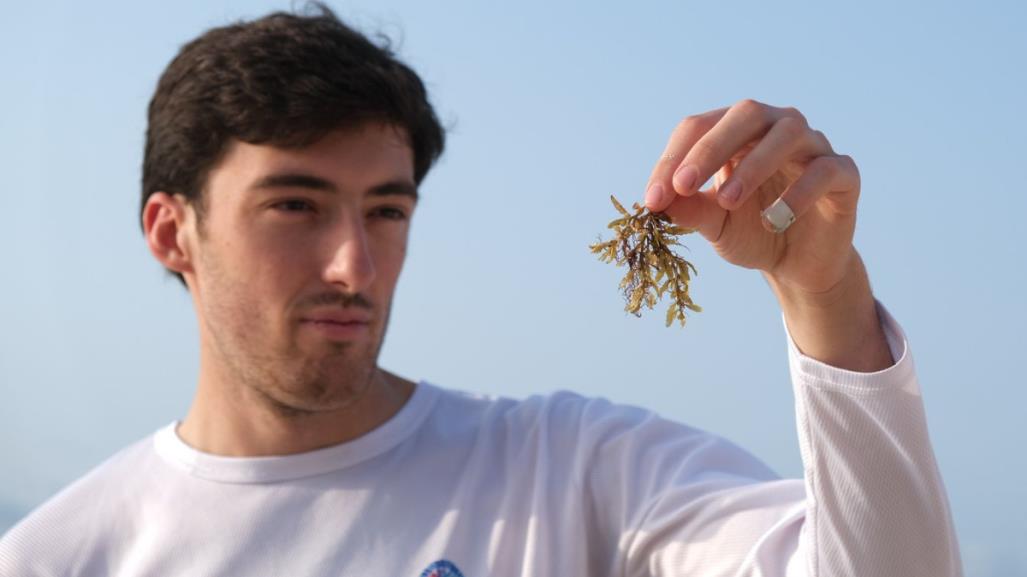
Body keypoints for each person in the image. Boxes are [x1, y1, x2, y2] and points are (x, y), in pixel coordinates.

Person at [0, 5, 962, 576]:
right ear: (174, 232)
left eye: (385, 209)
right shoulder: (62, 557)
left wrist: (824, 295)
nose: (353, 265)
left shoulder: (568, 470)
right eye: (294, 206)